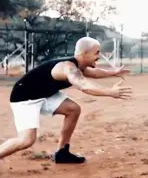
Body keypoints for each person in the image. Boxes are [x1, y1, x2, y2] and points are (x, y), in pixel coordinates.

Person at [0, 37, 132, 164]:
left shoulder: (79, 66)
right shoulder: (67, 67)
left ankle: (62, 152)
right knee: (26, 140)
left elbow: (93, 73)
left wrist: (113, 72)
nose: (99, 56)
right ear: (84, 53)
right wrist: (110, 92)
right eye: (96, 52)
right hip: (24, 97)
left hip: (45, 94)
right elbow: (83, 85)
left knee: (73, 109)